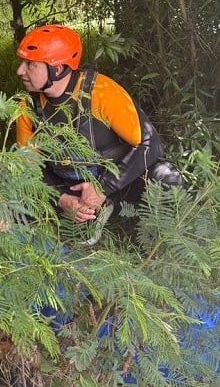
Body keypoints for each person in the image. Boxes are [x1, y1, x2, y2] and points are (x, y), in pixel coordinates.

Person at [15, 24, 182, 241]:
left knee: (167, 179)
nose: (20, 70)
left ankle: (152, 239)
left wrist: (101, 189)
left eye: (30, 64)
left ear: (57, 69)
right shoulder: (26, 108)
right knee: (14, 198)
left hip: (117, 180)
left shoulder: (102, 93)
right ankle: (86, 218)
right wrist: (62, 198)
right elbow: (28, 170)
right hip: (70, 186)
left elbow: (151, 145)